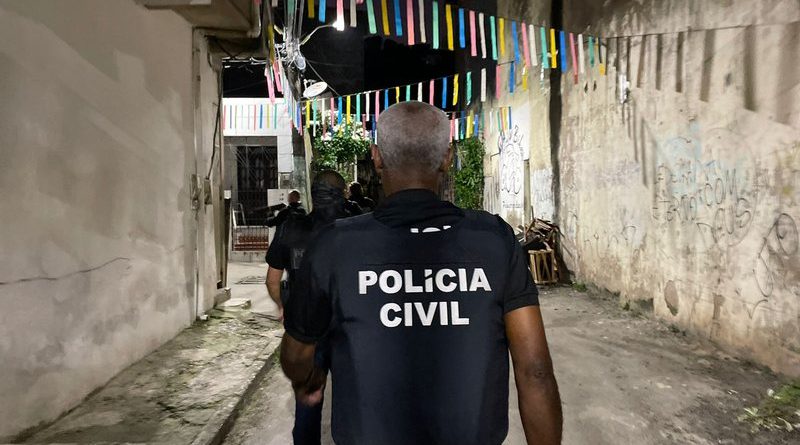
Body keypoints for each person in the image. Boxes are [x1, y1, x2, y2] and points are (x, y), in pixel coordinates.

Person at [280, 102, 563, 445]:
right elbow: (535, 371)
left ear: (377, 157)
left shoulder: (335, 246)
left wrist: (307, 380)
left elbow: (296, 354)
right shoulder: (493, 241)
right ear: (446, 158)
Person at [265, 172, 353, 445]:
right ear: (344, 195)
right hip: (348, 329)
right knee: (354, 402)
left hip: (305, 330)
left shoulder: (291, 227)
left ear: (311, 195)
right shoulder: (357, 228)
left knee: (307, 400)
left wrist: (283, 307)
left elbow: (272, 279)